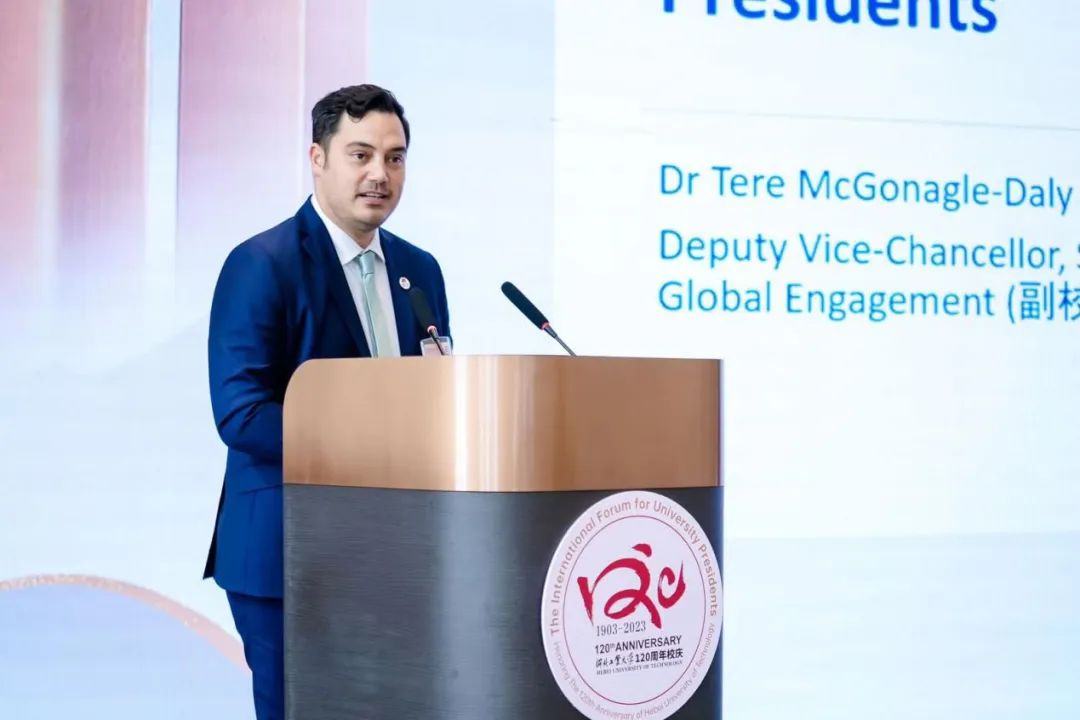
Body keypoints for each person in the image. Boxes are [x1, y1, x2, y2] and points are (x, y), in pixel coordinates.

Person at [203, 84, 450, 720]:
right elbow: (242, 413)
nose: (380, 174)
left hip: (394, 551)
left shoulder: (420, 271)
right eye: (360, 155)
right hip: (289, 554)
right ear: (317, 159)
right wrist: (368, 448)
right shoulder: (263, 263)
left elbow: (434, 392)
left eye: (395, 158)